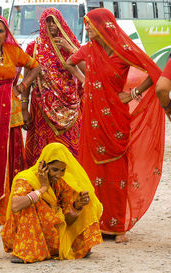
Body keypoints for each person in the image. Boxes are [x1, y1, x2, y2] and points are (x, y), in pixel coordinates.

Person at [66, 8, 165, 243]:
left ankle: (118, 225)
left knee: (117, 169)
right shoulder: (89, 50)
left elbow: (155, 71)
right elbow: (70, 62)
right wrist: (86, 82)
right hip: (92, 116)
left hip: (117, 117)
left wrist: (133, 94)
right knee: (92, 168)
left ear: (103, 27)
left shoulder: (124, 51)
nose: (87, 28)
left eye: (90, 24)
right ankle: (94, 222)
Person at [0, 15, 40, 225]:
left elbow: (36, 66)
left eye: (0, 31)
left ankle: (11, 207)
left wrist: (21, 87)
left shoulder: (12, 51)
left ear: (6, 34)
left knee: (10, 158)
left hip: (10, 115)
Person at [1, 142, 103, 263]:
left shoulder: (61, 183)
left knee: (83, 204)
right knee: (31, 205)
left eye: (62, 170)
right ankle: (25, 251)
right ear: (43, 165)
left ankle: (46, 248)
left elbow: (67, 220)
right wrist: (43, 189)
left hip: (49, 229)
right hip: (23, 233)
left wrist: (77, 206)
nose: (58, 175)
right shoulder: (26, 178)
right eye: (54, 169)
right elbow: (15, 206)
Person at [25, 8, 83, 166]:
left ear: (61, 23)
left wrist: (70, 49)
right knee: (46, 152)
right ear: (42, 23)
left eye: (54, 21)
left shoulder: (70, 43)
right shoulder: (33, 47)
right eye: (47, 21)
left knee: (72, 151)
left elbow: (87, 69)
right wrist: (24, 108)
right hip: (43, 109)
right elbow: (27, 78)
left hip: (70, 106)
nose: (51, 24)